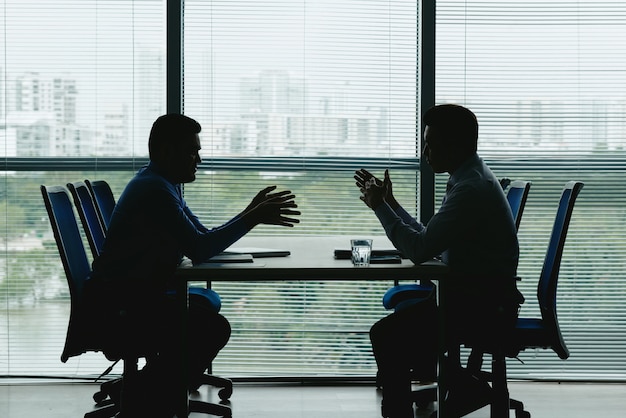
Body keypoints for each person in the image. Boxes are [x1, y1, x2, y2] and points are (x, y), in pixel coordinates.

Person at [86, 113, 300, 416]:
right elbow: (200, 249)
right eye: (191, 151)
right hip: (124, 304)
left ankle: (143, 390)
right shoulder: (155, 190)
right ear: (165, 152)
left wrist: (249, 212)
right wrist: (252, 217)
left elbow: (201, 237)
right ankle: (149, 399)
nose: (197, 159)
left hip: (132, 294)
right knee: (211, 328)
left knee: (202, 320)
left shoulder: (163, 184)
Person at [354, 104, 522, 418]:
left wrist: (379, 207)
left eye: (431, 144)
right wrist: (389, 203)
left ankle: (455, 387)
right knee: (393, 334)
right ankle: (462, 383)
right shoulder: (470, 177)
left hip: (480, 307)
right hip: (474, 298)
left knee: (388, 336)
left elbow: (418, 250)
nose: (425, 152)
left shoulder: (470, 189)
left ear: (455, 145)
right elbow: (429, 238)